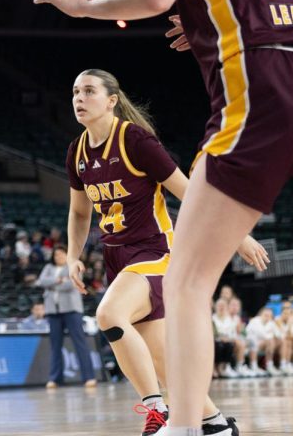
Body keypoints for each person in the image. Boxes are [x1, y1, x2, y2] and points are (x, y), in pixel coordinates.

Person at [36, 0, 293, 436]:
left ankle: (188, 427)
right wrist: (200, 28)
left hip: (265, 92)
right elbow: (253, 7)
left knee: (188, 281)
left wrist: (84, 6)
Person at [59, 70, 266, 434]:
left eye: (89, 91)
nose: (79, 98)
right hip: (117, 258)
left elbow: (189, 192)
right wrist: (74, 255)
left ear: (111, 101)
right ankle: (217, 426)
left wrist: (238, 237)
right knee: (165, 363)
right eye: (76, 91)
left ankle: (159, 414)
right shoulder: (76, 152)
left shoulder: (134, 140)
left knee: (108, 314)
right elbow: (79, 211)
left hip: (156, 252)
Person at [37, 246, 94, 389]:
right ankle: (55, 378)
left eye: (61, 254)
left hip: (72, 310)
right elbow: (41, 281)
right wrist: (59, 280)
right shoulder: (48, 267)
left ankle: (89, 377)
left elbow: (71, 284)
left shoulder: (72, 266)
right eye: (56, 255)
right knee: (55, 346)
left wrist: (53, 283)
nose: (58, 257)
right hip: (53, 311)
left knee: (79, 343)